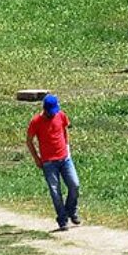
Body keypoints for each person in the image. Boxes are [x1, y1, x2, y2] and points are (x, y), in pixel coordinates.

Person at [26, 94, 81, 231]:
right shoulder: (36, 122)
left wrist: (67, 147)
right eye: (50, 112)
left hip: (65, 158)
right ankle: (62, 219)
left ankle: (71, 210)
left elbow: (65, 129)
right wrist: (36, 158)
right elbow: (29, 140)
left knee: (74, 185)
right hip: (49, 162)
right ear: (44, 109)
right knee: (55, 191)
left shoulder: (61, 115)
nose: (52, 114)